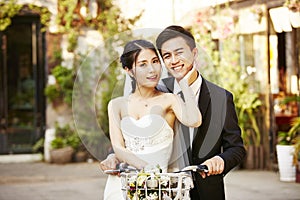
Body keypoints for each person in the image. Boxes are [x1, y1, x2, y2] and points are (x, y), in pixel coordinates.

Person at [100, 26, 246, 200]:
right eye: (167, 56)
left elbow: (236, 148)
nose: (174, 60)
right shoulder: (157, 89)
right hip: (158, 187)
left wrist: (219, 161)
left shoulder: (221, 98)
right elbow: (133, 137)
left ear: (194, 52)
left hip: (204, 189)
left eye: (179, 53)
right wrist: (114, 156)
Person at [103, 39, 202, 199]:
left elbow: (194, 120)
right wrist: (146, 168)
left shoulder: (169, 100)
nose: (152, 70)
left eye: (155, 61)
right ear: (129, 70)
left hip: (159, 186)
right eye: (143, 64)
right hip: (123, 184)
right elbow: (119, 148)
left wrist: (183, 83)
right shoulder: (116, 105)